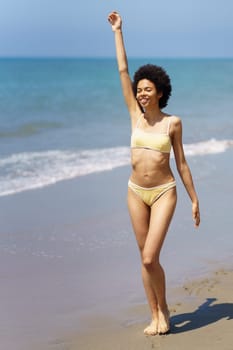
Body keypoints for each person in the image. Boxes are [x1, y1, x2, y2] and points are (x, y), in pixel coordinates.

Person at [107, 11, 200, 336]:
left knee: (150, 258)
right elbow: (121, 68)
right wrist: (119, 31)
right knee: (143, 258)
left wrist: (193, 199)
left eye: (148, 89)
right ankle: (156, 314)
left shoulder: (172, 123)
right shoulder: (134, 115)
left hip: (163, 192)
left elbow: (182, 162)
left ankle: (165, 310)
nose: (142, 93)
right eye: (139, 89)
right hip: (135, 191)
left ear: (160, 91)